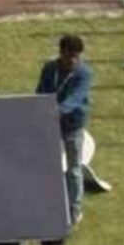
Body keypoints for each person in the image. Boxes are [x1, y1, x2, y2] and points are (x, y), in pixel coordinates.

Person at [36, 34, 92, 226]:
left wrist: (56, 111)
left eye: (77, 56)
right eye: (70, 56)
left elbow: (75, 99)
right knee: (49, 166)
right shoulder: (49, 68)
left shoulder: (83, 73)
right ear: (61, 53)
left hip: (72, 127)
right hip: (50, 126)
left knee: (74, 170)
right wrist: (40, 110)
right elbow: (41, 91)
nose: (74, 61)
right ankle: (49, 202)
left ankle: (74, 210)